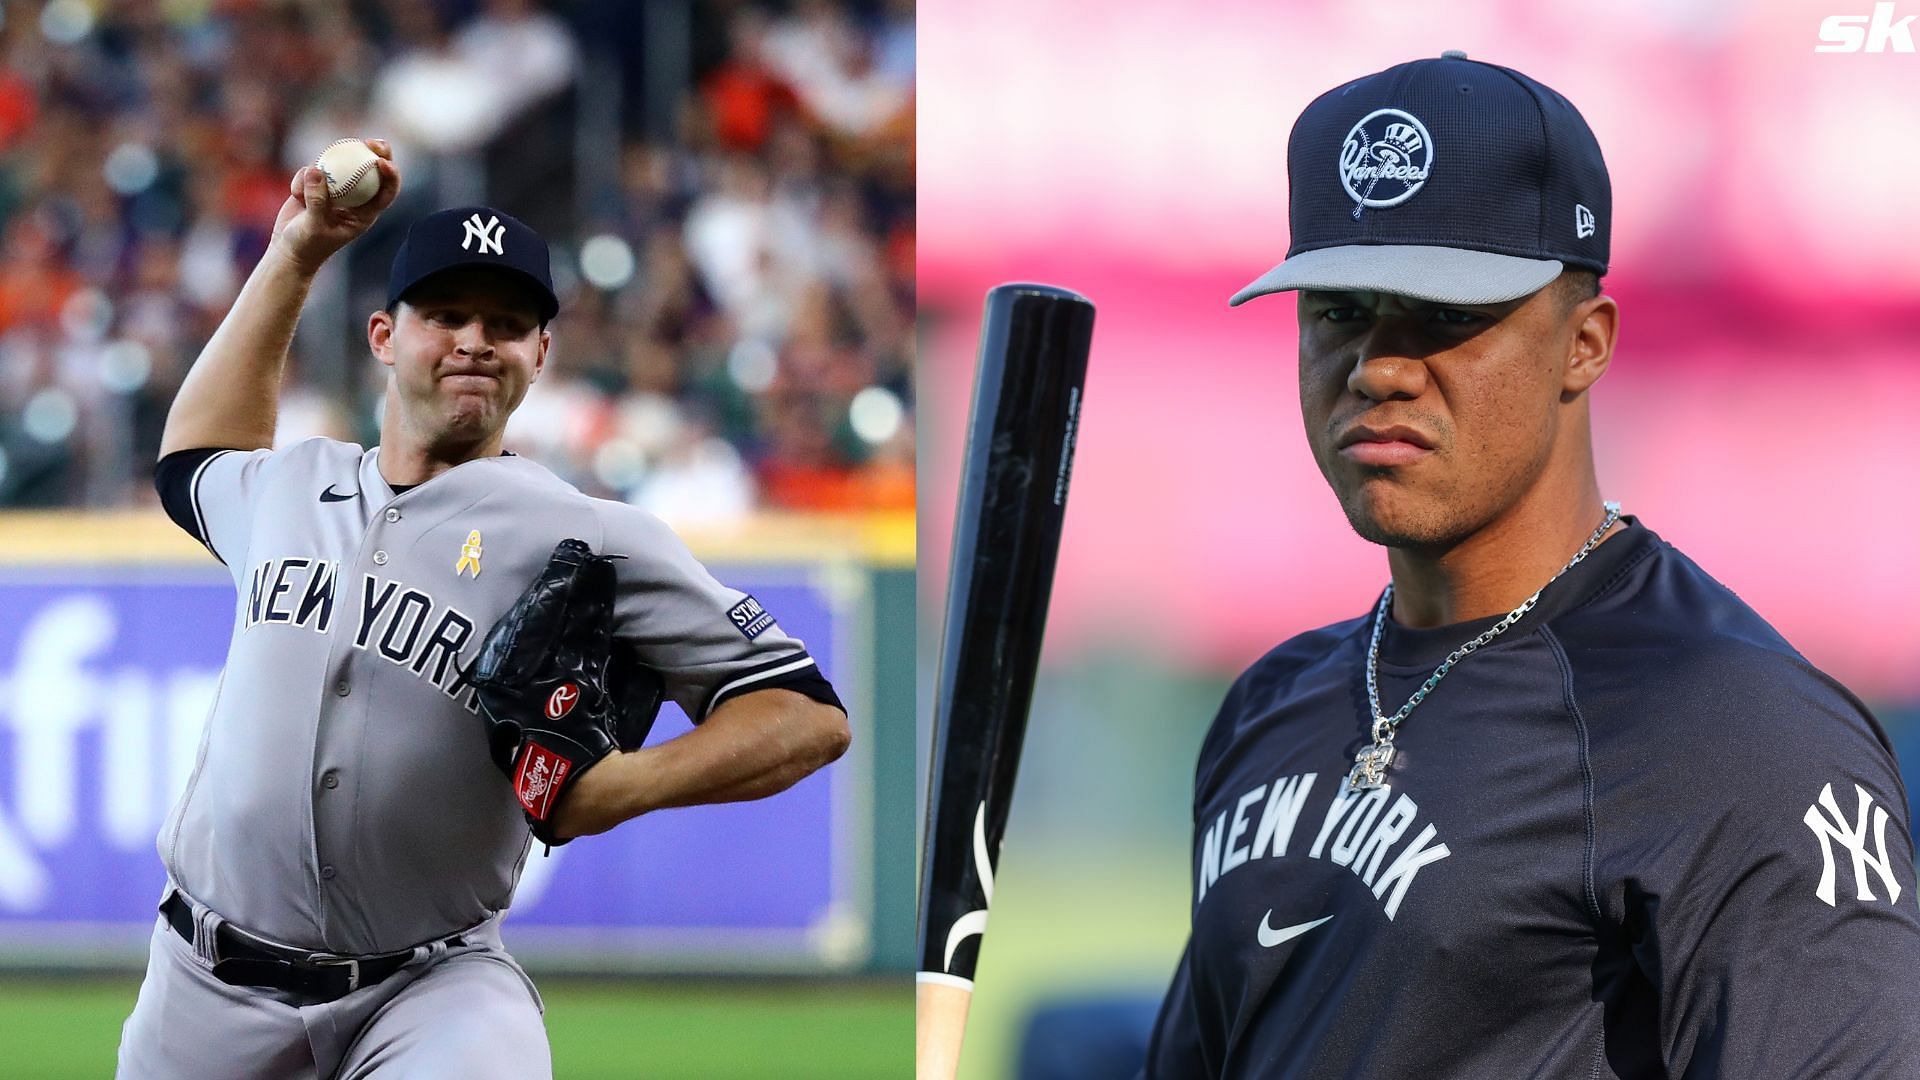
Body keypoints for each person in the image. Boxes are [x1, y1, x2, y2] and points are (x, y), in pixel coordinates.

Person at [1143, 53, 1920, 1077]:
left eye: (1448, 317)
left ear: (1585, 344)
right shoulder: (1269, 706)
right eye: (1338, 310)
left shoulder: (1732, 729)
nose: (1378, 365)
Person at [118, 141, 851, 1078]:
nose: (474, 340)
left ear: (540, 355)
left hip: (431, 990)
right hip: (204, 985)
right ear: (385, 336)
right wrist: (295, 255)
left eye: (506, 324)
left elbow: (806, 714)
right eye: (447, 315)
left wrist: (617, 790)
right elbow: (190, 463)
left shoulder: (584, 536)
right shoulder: (290, 486)